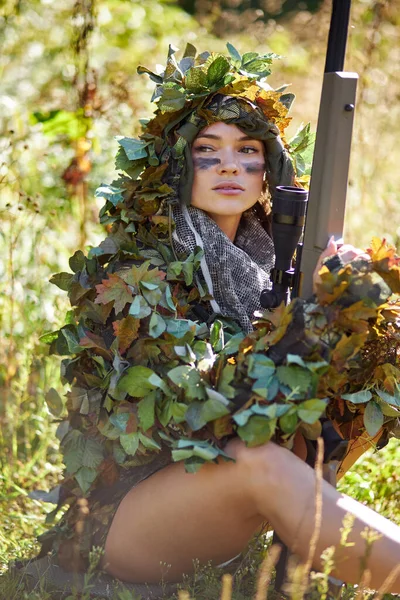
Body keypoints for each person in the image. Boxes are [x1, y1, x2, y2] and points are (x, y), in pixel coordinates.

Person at [39, 44, 400, 593]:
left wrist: (348, 313)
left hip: (221, 511)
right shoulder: (137, 272)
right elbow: (192, 417)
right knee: (260, 463)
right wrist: (297, 331)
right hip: (128, 521)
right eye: (207, 150)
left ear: (268, 173)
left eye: (248, 150)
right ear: (175, 167)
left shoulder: (275, 264)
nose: (231, 164)